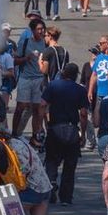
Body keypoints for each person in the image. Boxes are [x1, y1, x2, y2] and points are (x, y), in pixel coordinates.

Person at [41, 63, 87, 207]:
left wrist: (44, 123)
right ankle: (66, 197)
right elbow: (84, 114)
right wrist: (83, 133)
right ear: (75, 75)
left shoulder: (53, 85)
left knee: (51, 160)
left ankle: (51, 185)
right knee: (70, 164)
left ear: (63, 73)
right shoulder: (80, 90)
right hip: (72, 130)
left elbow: (42, 104)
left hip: (55, 128)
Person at [12, 19, 47, 143]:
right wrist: (27, 58)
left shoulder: (45, 43)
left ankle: (34, 136)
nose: (41, 31)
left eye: (42, 29)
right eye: (38, 29)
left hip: (39, 79)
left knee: (37, 109)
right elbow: (15, 60)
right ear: (32, 30)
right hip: (25, 78)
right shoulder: (25, 42)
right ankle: (14, 134)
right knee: (21, 107)